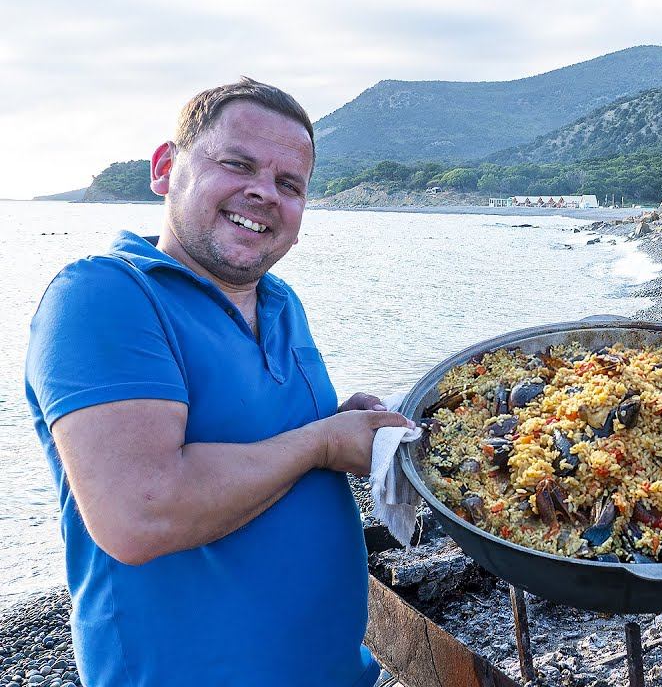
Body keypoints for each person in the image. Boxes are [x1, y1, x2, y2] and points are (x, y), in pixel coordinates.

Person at [24, 78, 413, 685]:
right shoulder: (104, 295)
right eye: (237, 164)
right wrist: (321, 442)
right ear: (164, 168)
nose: (264, 193)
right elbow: (139, 514)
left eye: (290, 185)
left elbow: (257, 438)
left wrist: (341, 421)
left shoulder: (281, 303)